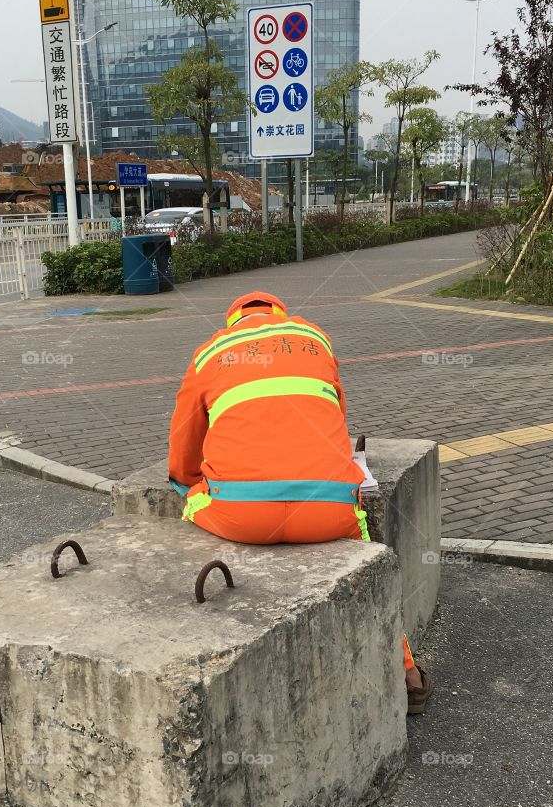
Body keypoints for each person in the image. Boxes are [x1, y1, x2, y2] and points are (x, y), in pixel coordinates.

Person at [168, 289, 432, 713]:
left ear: (234, 319)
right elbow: (337, 419)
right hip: (328, 508)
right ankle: (409, 677)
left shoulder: (209, 352)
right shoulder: (315, 339)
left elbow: (184, 440)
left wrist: (187, 482)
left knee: (191, 497)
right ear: (280, 315)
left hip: (241, 516)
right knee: (369, 554)